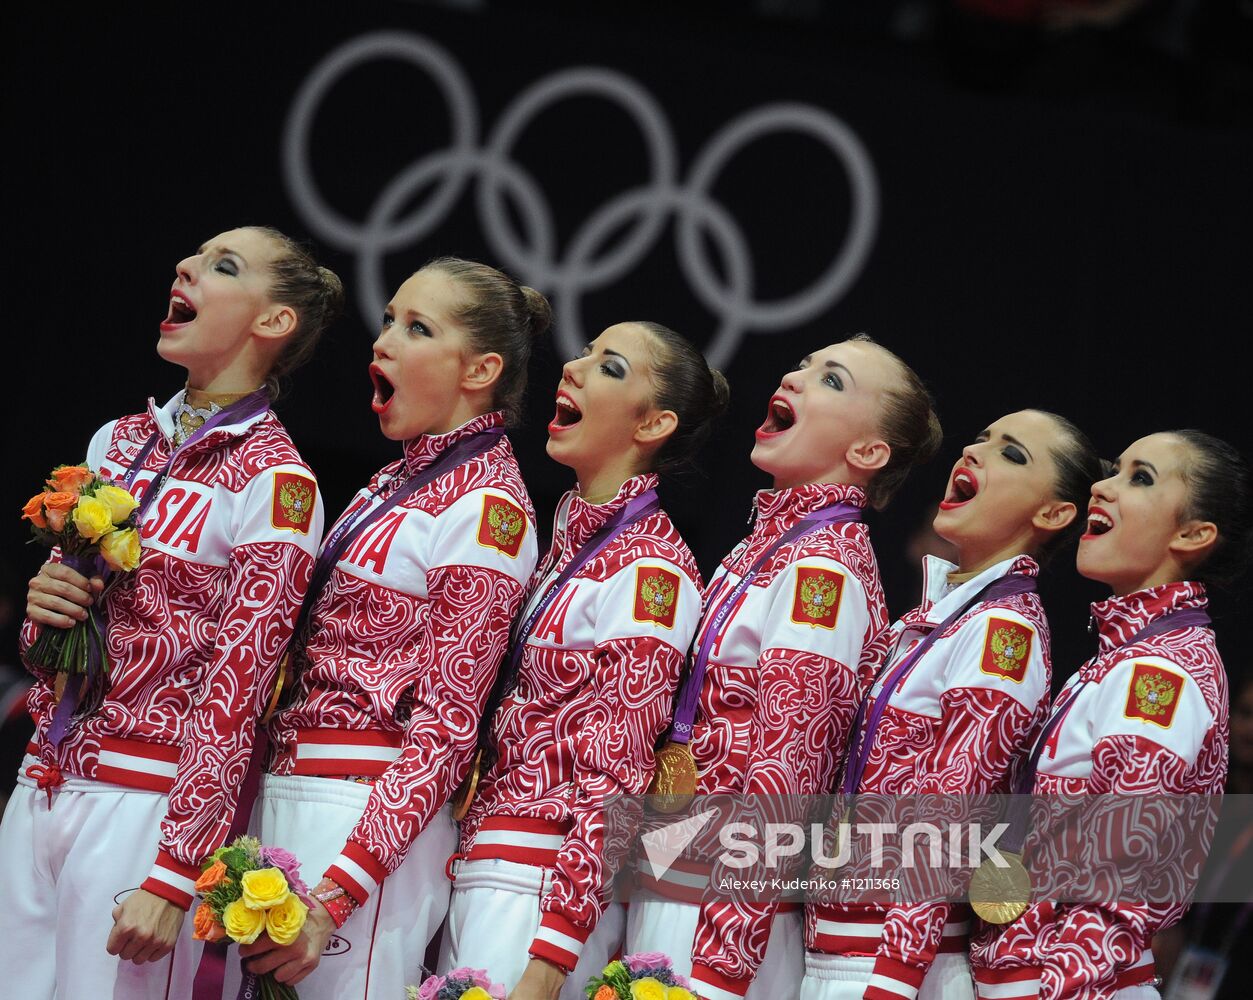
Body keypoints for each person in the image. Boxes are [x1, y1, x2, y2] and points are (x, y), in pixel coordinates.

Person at [2, 227, 342, 999]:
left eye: (222, 266)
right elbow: (43, 647)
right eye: (193, 256)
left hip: (144, 804)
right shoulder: (118, 439)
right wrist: (41, 611)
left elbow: (240, 687)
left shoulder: (277, 484)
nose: (184, 266)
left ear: (273, 322)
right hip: (43, 778)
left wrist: (174, 868)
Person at [231, 259, 549, 999]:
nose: (384, 342)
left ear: (480, 370)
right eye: (388, 319)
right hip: (295, 793)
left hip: (364, 819)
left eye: (417, 328)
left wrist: (338, 893)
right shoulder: (394, 479)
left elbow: (447, 730)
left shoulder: (487, 512)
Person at [627, 334, 944, 1000]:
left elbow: (787, 774)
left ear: (866, 452)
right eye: (802, 365)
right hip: (679, 863)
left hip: (723, 906)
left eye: (829, 381)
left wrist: (720, 972)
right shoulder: (763, 544)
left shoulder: (819, 567)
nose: (795, 378)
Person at [440, 321, 729, 1000]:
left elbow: (617, 776)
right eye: (585, 352)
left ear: (653, 423)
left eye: (609, 366)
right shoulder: (570, 542)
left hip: (537, 888)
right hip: (489, 861)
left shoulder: (649, 571)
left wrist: (551, 955)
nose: (572, 366)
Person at [801, 410, 1103, 1000]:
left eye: (1012, 454)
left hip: (894, 965)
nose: (975, 450)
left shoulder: (1000, 633)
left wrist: (895, 979)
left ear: (1053, 514)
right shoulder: (939, 618)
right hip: (839, 945)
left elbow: (950, 819)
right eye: (983, 437)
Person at [972, 430, 1251, 1000]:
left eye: (1140, 478)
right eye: (1114, 469)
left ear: (1193, 534)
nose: (1101, 486)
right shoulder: (1128, 657)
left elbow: (1118, 889)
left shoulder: (1160, 676)